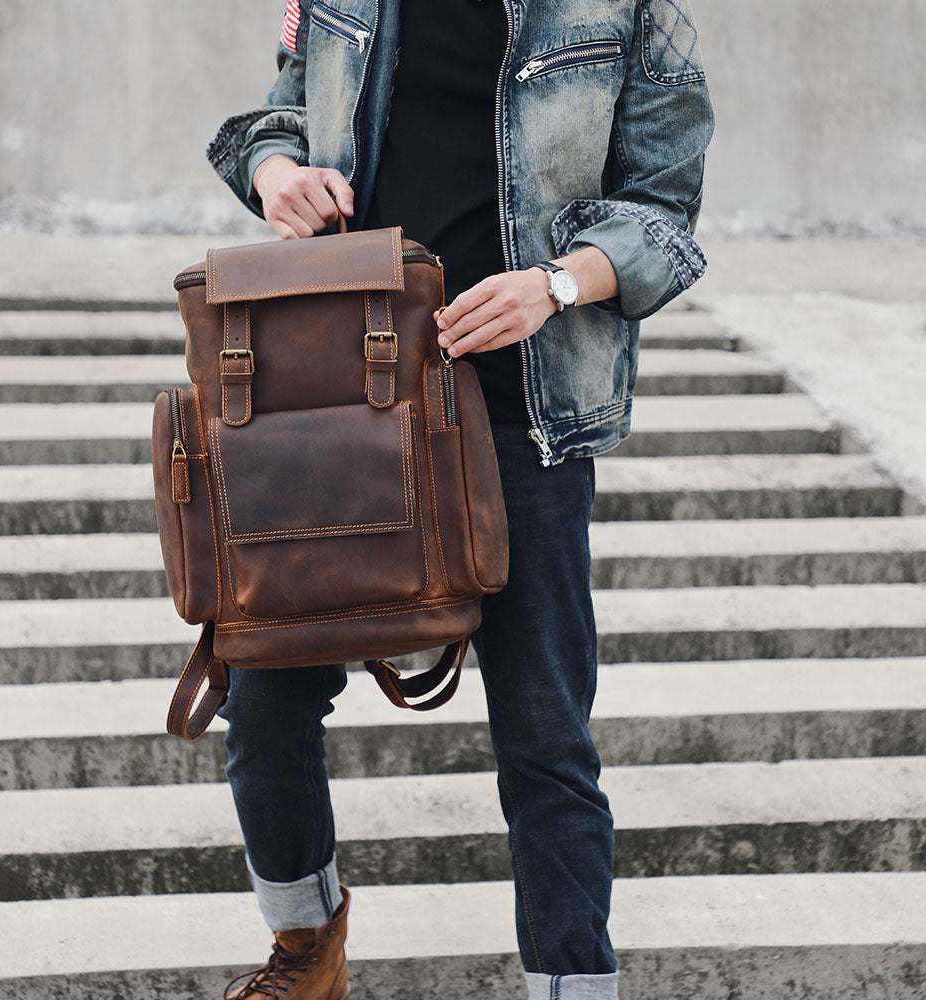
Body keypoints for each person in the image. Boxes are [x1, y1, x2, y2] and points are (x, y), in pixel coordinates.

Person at [206, 1, 714, 997]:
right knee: (263, 702)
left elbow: (666, 218)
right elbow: (271, 123)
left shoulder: (623, 11)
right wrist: (277, 176)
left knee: (546, 743)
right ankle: (307, 948)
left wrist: (556, 286)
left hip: (523, 412)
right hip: (345, 401)